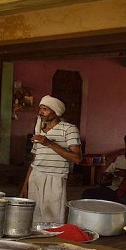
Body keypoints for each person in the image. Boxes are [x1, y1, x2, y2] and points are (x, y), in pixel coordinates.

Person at [21, 95, 82, 223]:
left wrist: (49, 143)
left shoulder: (69, 129)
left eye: (45, 109)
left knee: (53, 219)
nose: (40, 112)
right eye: (40, 109)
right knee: (35, 217)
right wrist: (25, 185)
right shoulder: (39, 130)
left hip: (55, 177)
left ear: (56, 111)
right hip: (35, 177)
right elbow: (34, 161)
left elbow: (77, 158)